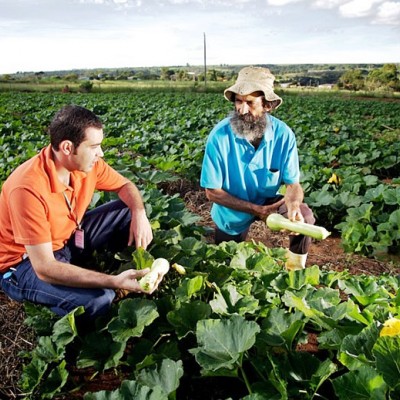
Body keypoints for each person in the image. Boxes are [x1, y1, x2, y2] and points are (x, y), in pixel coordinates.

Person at [0, 105, 161, 318]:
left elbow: (126, 186)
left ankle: (96, 270)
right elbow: (45, 267)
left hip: (67, 239)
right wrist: (113, 281)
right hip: (24, 264)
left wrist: (139, 213)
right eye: (94, 146)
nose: (100, 153)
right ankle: (52, 309)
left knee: (129, 209)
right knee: (100, 299)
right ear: (67, 147)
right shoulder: (27, 188)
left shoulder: (89, 165)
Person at [200, 66, 315, 270]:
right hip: (231, 206)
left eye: (250, 102)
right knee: (226, 264)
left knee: (304, 219)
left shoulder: (283, 135)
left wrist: (294, 205)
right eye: (238, 101)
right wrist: (256, 210)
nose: (242, 110)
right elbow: (212, 193)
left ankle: (295, 272)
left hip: (268, 199)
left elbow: (293, 184)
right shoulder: (219, 136)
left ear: (267, 105)